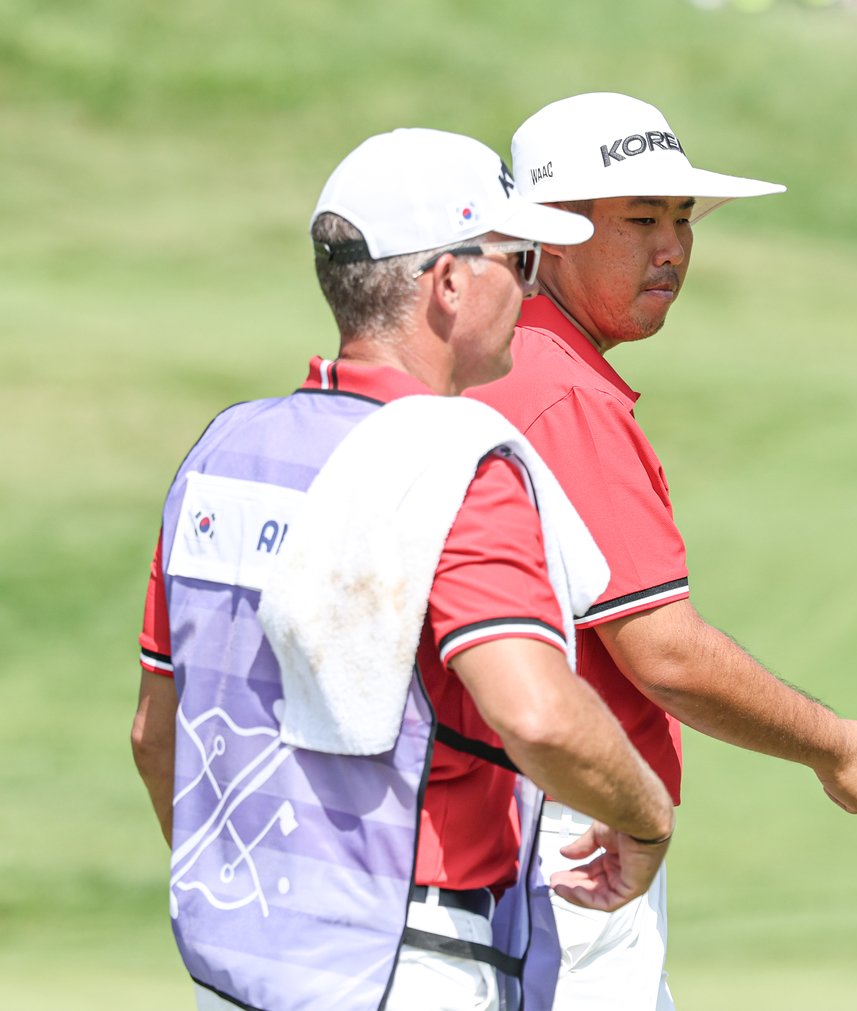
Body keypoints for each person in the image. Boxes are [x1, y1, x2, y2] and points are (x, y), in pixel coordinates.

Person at [130, 127, 674, 1011]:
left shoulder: (223, 452)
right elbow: (538, 712)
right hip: (411, 962)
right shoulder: (454, 462)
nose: (530, 290)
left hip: (242, 961)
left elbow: (157, 734)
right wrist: (646, 817)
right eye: (521, 261)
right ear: (450, 282)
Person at [469, 93, 857, 1011]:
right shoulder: (560, 396)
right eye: (640, 220)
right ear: (550, 234)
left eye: (682, 220)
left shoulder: (505, 364)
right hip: (573, 844)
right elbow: (662, 652)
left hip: (506, 832)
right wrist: (835, 744)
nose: (672, 248)